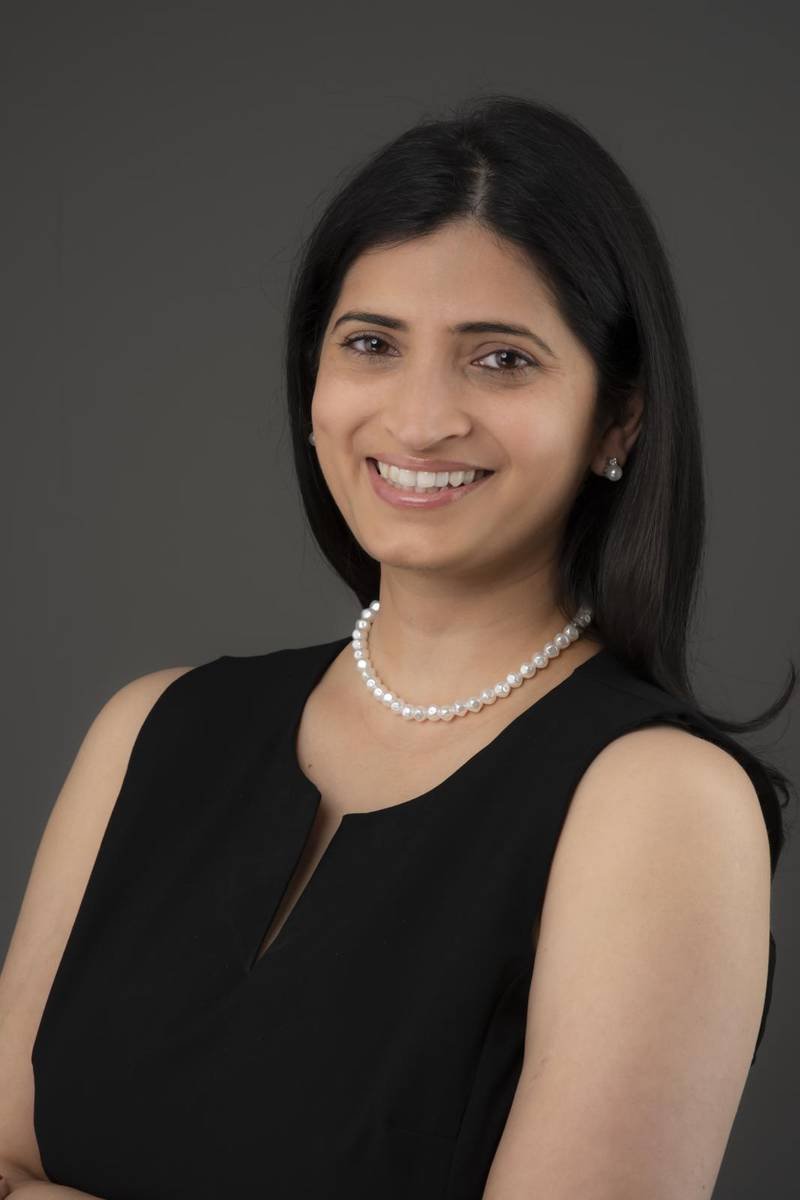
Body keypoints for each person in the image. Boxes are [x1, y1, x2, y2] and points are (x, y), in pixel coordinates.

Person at [1, 93, 795, 1200]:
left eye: (500, 360)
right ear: (313, 385)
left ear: (616, 420)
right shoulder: (149, 730)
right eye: (371, 344)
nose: (419, 420)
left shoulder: (657, 801)